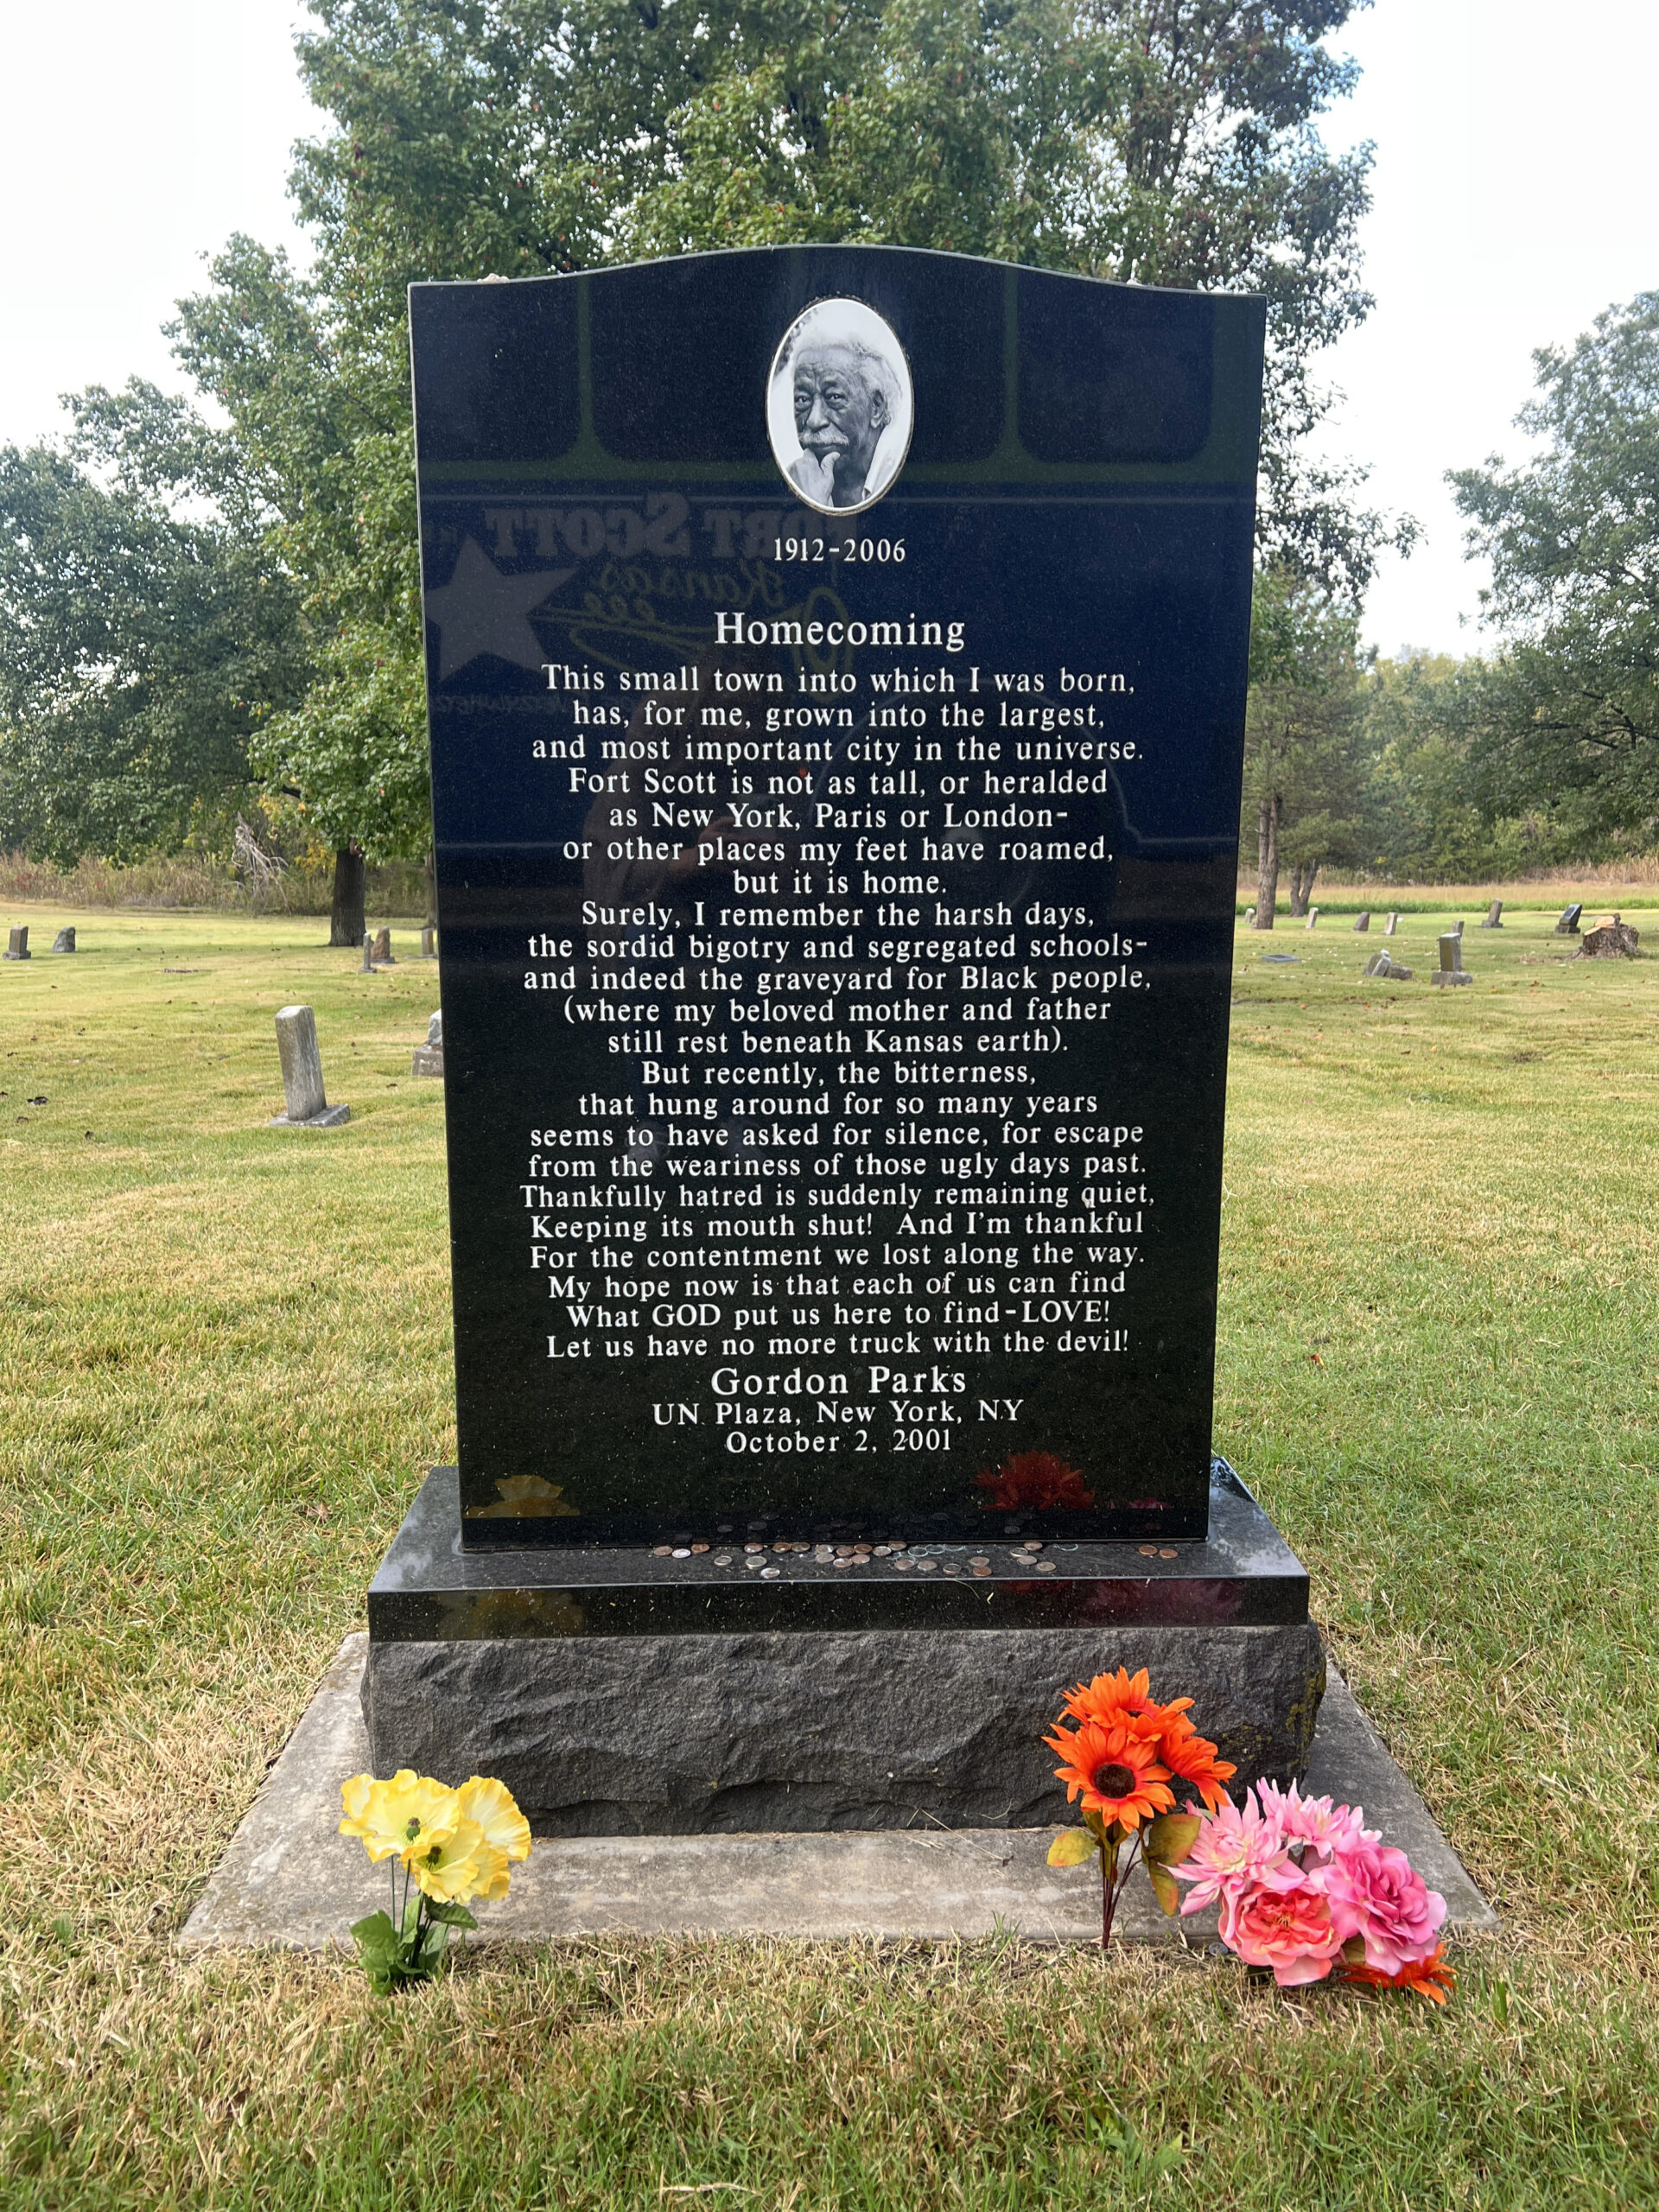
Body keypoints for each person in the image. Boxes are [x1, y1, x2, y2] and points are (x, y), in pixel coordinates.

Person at [785, 335, 901, 510]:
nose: (813, 420)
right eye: (802, 399)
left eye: (834, 397)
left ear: (876, 407)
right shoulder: (796, 480)